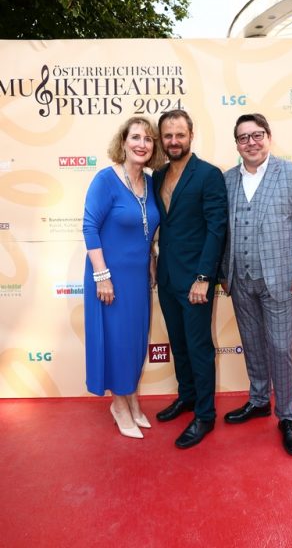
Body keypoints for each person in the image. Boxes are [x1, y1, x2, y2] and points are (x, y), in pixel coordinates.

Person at [220, 113, 292, 456]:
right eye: (243, 137)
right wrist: (222, 273)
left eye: (256, 135)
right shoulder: (227, 179)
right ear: (236, 144)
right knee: (252, 343)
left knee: (280, 348)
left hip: (279, 279)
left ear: (268, 137)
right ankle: (259, 400)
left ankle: (287, 416)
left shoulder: (290, 174)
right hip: (240, 279)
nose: (251, 142)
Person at [83, 116, 164, 439]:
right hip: (110, 277)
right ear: (123, 142)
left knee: (133, 341)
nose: (141, 144)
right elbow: (90, 227)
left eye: (148, 139)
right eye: (135, 137)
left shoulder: (150, 183)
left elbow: (148, 228)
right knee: (117, 341)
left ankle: (130, 398)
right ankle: (119, 405)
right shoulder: (105, 180)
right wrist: (102, 276)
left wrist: (153, 259)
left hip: (138, 278)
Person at [152, 109, 227, 449]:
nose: (174, 141)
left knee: (198, 347)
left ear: (191, 135)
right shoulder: (157, 176)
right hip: (167, 277)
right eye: (168, 136)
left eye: (179, 134)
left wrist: (203, 277)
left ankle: (205, 415)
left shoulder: (208, 175)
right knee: (178, 344)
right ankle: (187, 397)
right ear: (161, 139)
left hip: (195, 279)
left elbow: (216, 229)